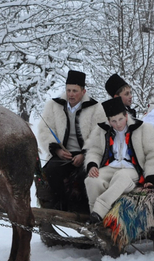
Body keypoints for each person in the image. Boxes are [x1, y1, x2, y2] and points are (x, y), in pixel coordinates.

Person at [84, 97, 154, 224]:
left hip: (133, 169)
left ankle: (98, 212)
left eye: (121, 119)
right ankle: (95, 217)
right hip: (111, 166)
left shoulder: (143, 128)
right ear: (109, 121)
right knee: (91, 180)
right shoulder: (102, 131)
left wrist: (151, 176)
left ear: (126, 116)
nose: (118, 124)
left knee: (121, 176)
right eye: (114, 121)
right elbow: (94, 151)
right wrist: (92, 165)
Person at [37, 70, 104, 210]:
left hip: (86, 154)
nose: (71, 94)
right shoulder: (54, 106)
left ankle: (84, 209)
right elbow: (45, 130)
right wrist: (57, 150)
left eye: (75, 91)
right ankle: (60, 203)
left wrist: (84, 154)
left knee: (86, 174)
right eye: (68, 90)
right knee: (52, 169)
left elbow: (98, 134)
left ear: (83, 91)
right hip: (63, 154)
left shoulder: (96, 108)